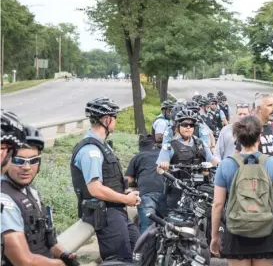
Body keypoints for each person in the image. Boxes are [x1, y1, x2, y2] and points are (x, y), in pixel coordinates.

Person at [210, 116, 273, 266]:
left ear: (237, 138)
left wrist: (214, 236)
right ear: (260, 137)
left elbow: (218, 205)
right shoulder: (272, 163)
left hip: (236, 230)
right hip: (265, 229)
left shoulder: (225, 165)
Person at [1, 114, 77, 266]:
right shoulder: (4, 200)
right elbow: (24, 261)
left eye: (33, 160)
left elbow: (45, 237)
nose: (27, 168)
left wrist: (64, 255)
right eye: (18, 160)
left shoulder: (31, 192)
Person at [71, 97, 140, 262]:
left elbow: (108, 180)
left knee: (139, 252)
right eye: (114, 118)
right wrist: (125, 199)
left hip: (116, 211)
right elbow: (95, 189)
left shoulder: (103, 145)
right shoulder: (91, 151)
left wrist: (124, 192)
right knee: (120, 260)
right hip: (107, 215)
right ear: (107, 119)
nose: (115, 122)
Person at [126, 134, 167, 234]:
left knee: (146, 228)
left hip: (147, 194)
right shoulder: (163, 155)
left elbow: (129, 179)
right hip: (166, 192)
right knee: (167, 226)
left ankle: (145, 249)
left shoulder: (138, 157)